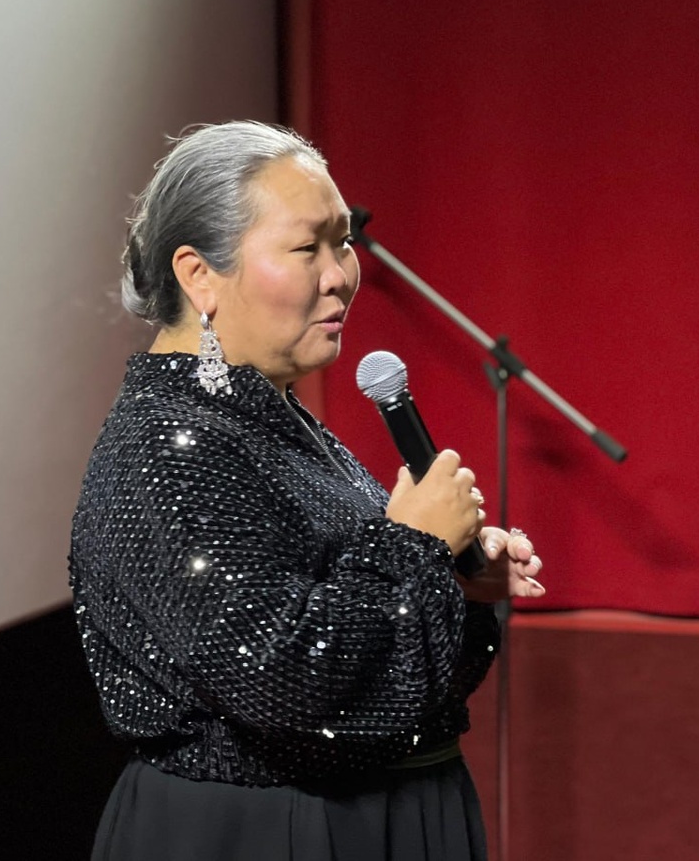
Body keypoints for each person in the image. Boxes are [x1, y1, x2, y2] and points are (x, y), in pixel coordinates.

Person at [68, 121, 545, 861]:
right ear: (199, 275)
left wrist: (452, 579)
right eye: (306, 248)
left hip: (373, 816)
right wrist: (412, 545)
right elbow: (285, 681)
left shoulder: (264, 418)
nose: (340, 275)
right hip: (268, 833)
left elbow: (387, 679)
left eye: (343, 242)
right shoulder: (169, 448)